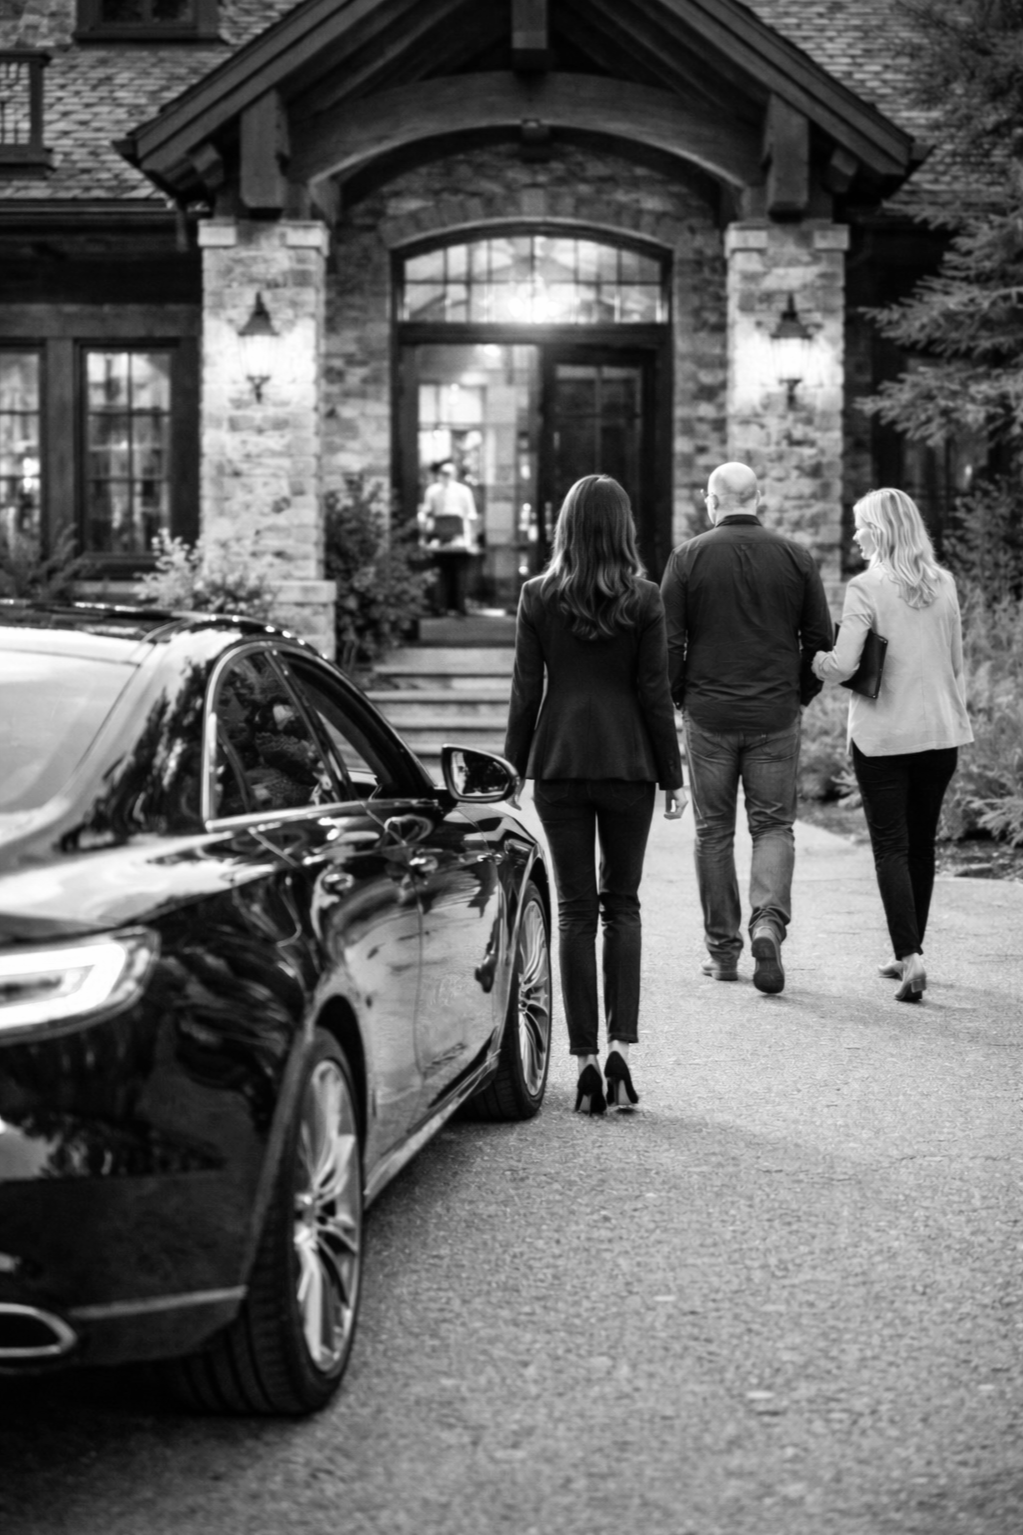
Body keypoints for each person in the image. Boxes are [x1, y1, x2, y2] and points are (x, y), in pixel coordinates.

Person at [504, 475, 686, 1116]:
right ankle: (619, 1051)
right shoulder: (644, 598)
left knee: (575, 911)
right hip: (628, 764)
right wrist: (672, 775)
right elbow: (654, 692)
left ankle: (581, 1061)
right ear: (622, 529)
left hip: (558, 764)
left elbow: (526, 692)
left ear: (567, 528)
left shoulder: (537, 595)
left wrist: (511, 770)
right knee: (622, 906)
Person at [660, 461, 833, 994]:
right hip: (774, 714)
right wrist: (799, 694)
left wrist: (681, 697)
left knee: (713, 832)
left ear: (712, 501)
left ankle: (722, 953)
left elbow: (668, 643)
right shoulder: (795, 557)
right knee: (773, 827)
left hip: (710, 714)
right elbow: (819, 640)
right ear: (759, 499)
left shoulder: (687, 558)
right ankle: (767, 925)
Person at [812, 488, 973, 1001]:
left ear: (879, 531)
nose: (855, 534)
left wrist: (815, 659)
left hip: (883, 738)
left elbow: (842, 665)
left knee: (891, 847)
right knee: (922, 844)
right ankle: (910, 952)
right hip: (941, 735)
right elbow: (956, 663)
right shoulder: (945, 583)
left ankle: (910, 956)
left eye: (860, 525)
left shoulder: (866, 587)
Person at [419, 460, 479, 616]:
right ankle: (440, 605)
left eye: (448, 473)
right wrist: (425, 534)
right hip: (439, 537)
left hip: (459, 537)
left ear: (454, 474)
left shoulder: (463, 491)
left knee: (460, 572)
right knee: (440, 572)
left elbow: (470, 515)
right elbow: (426, 512)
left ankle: (460, 605)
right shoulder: (433, 490)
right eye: (442, 473)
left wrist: (472, 539)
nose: (445, 476)